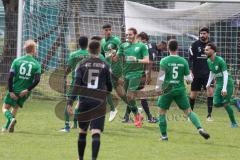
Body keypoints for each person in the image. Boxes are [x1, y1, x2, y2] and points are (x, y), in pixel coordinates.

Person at [67, 40, 112, 160]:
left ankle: (80, 158)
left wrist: (70, 102)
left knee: (82, 131)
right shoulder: (105, 65)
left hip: (84, 102)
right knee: (96, 131)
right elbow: (109, 84)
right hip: (99, 102)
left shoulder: (81, 64)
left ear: (88, 50)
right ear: (99, 50)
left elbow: (76, 85)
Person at [156, 39, 210, 141]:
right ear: (178, 48)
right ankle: (200, 128)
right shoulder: (183, 61)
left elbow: (161, 78)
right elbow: (189, 79)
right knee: (189, 111)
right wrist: (188, 81)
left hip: (167, 90)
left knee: (162, 113)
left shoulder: (164, 61)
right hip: (180, 90)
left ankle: (164, 136)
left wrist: (158, 88)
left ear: (168, 48)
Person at [2, 39, 41, 133]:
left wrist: (11, 91)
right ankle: (6, 127)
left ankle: (11, 120)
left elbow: (10, 77)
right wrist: (27, 90)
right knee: (15, 107)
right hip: (25, 92)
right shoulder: (36, 64)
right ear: (33, 50)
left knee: (4, 108)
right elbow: (37, 80)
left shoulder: (17, 61)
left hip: (15, 89)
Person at [116, 27, 149, 128]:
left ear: (135, 34)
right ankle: (138, 115)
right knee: (127, 98)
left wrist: (137, 60)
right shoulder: (123, 45)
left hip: (137, 73)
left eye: (130, 34)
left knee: (130, 96)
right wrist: (112, 54)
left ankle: (136, 117)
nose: (128, 36)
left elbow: (147, 60)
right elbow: (116, 58)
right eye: (127, 35)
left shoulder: (142, 46)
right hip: (126, 74)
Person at [122, 32, 157, 123]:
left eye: (138, 38)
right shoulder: (143, 46)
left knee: (133, 95)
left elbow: (149, 61)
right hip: (137, 74)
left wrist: (148, 74)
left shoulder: (143, 46)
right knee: (136, 95)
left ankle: (127, 117)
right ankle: (148, 117)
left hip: (139, 74)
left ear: (142, 39)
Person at [205, 43, 238, 128]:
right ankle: (235, 101)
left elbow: (226, 74)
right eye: (205, 50)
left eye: (207, 50)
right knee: (215, 103)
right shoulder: (208, 61)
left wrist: (224, 88)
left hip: (227, 84)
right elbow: (212, 72)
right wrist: (208, 83)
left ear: (213, 50)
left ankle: (234, 123)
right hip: (219, 83)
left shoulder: (220, 60)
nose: (205, 51)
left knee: (225, 103)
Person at [60, 36, 89, 132]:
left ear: (78, 44)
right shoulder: (91, 55)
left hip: (76, 82)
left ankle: (67, 126)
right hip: (87, 83)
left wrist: (64, 77)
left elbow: (68, 69)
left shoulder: (73, 54)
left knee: (69, 103)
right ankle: (77, 124)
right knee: (81, 104)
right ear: (87, 43)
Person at [189, 27, 214, 121]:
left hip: (208, 73)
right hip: (196, 74)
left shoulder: (212, 45)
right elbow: (190, 59)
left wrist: (215, 73)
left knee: (210, 93)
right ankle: (190, 114)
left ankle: (209, 115)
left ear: (208, 34)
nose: (202, 35)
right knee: (193, 95)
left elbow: (215, 59)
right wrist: (191, 71)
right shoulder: (194, 45)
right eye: (201, 33)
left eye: (204, 33)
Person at [101, 23, 121, 122]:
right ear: (103, 31)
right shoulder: (102, 41)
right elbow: (102, 55)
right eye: (106, 30)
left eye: (110, 29)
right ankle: (135, 110)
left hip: (115, 68)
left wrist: (114, 53)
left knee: (106, 89)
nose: (108, 32)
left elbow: (122, 50)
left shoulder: (116, 40)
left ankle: (113, 109)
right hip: (107, 68)